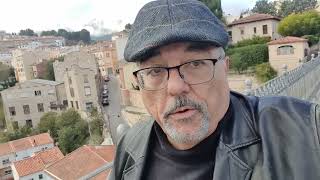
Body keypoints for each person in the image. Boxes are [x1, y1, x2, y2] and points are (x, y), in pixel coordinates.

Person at [109, 0, 320, 179]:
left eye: (195, 63)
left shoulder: (306, 131)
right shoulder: (129, 146)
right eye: (155, 71)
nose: (175, 87)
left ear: (225, 67)